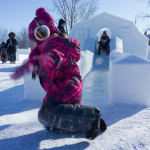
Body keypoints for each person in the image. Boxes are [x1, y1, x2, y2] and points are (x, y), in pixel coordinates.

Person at [11, 8, 107, 140]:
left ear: (48, 32)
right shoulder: (51, 47)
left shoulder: (53, 46)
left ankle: (91, 117)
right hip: (68, 89)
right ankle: (78, 121)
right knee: (49, 117)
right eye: (34, 39)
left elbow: (56, 57)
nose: (34, 43)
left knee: (45, 115)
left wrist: (43, 62)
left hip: (67, 88)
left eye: (39, 35)